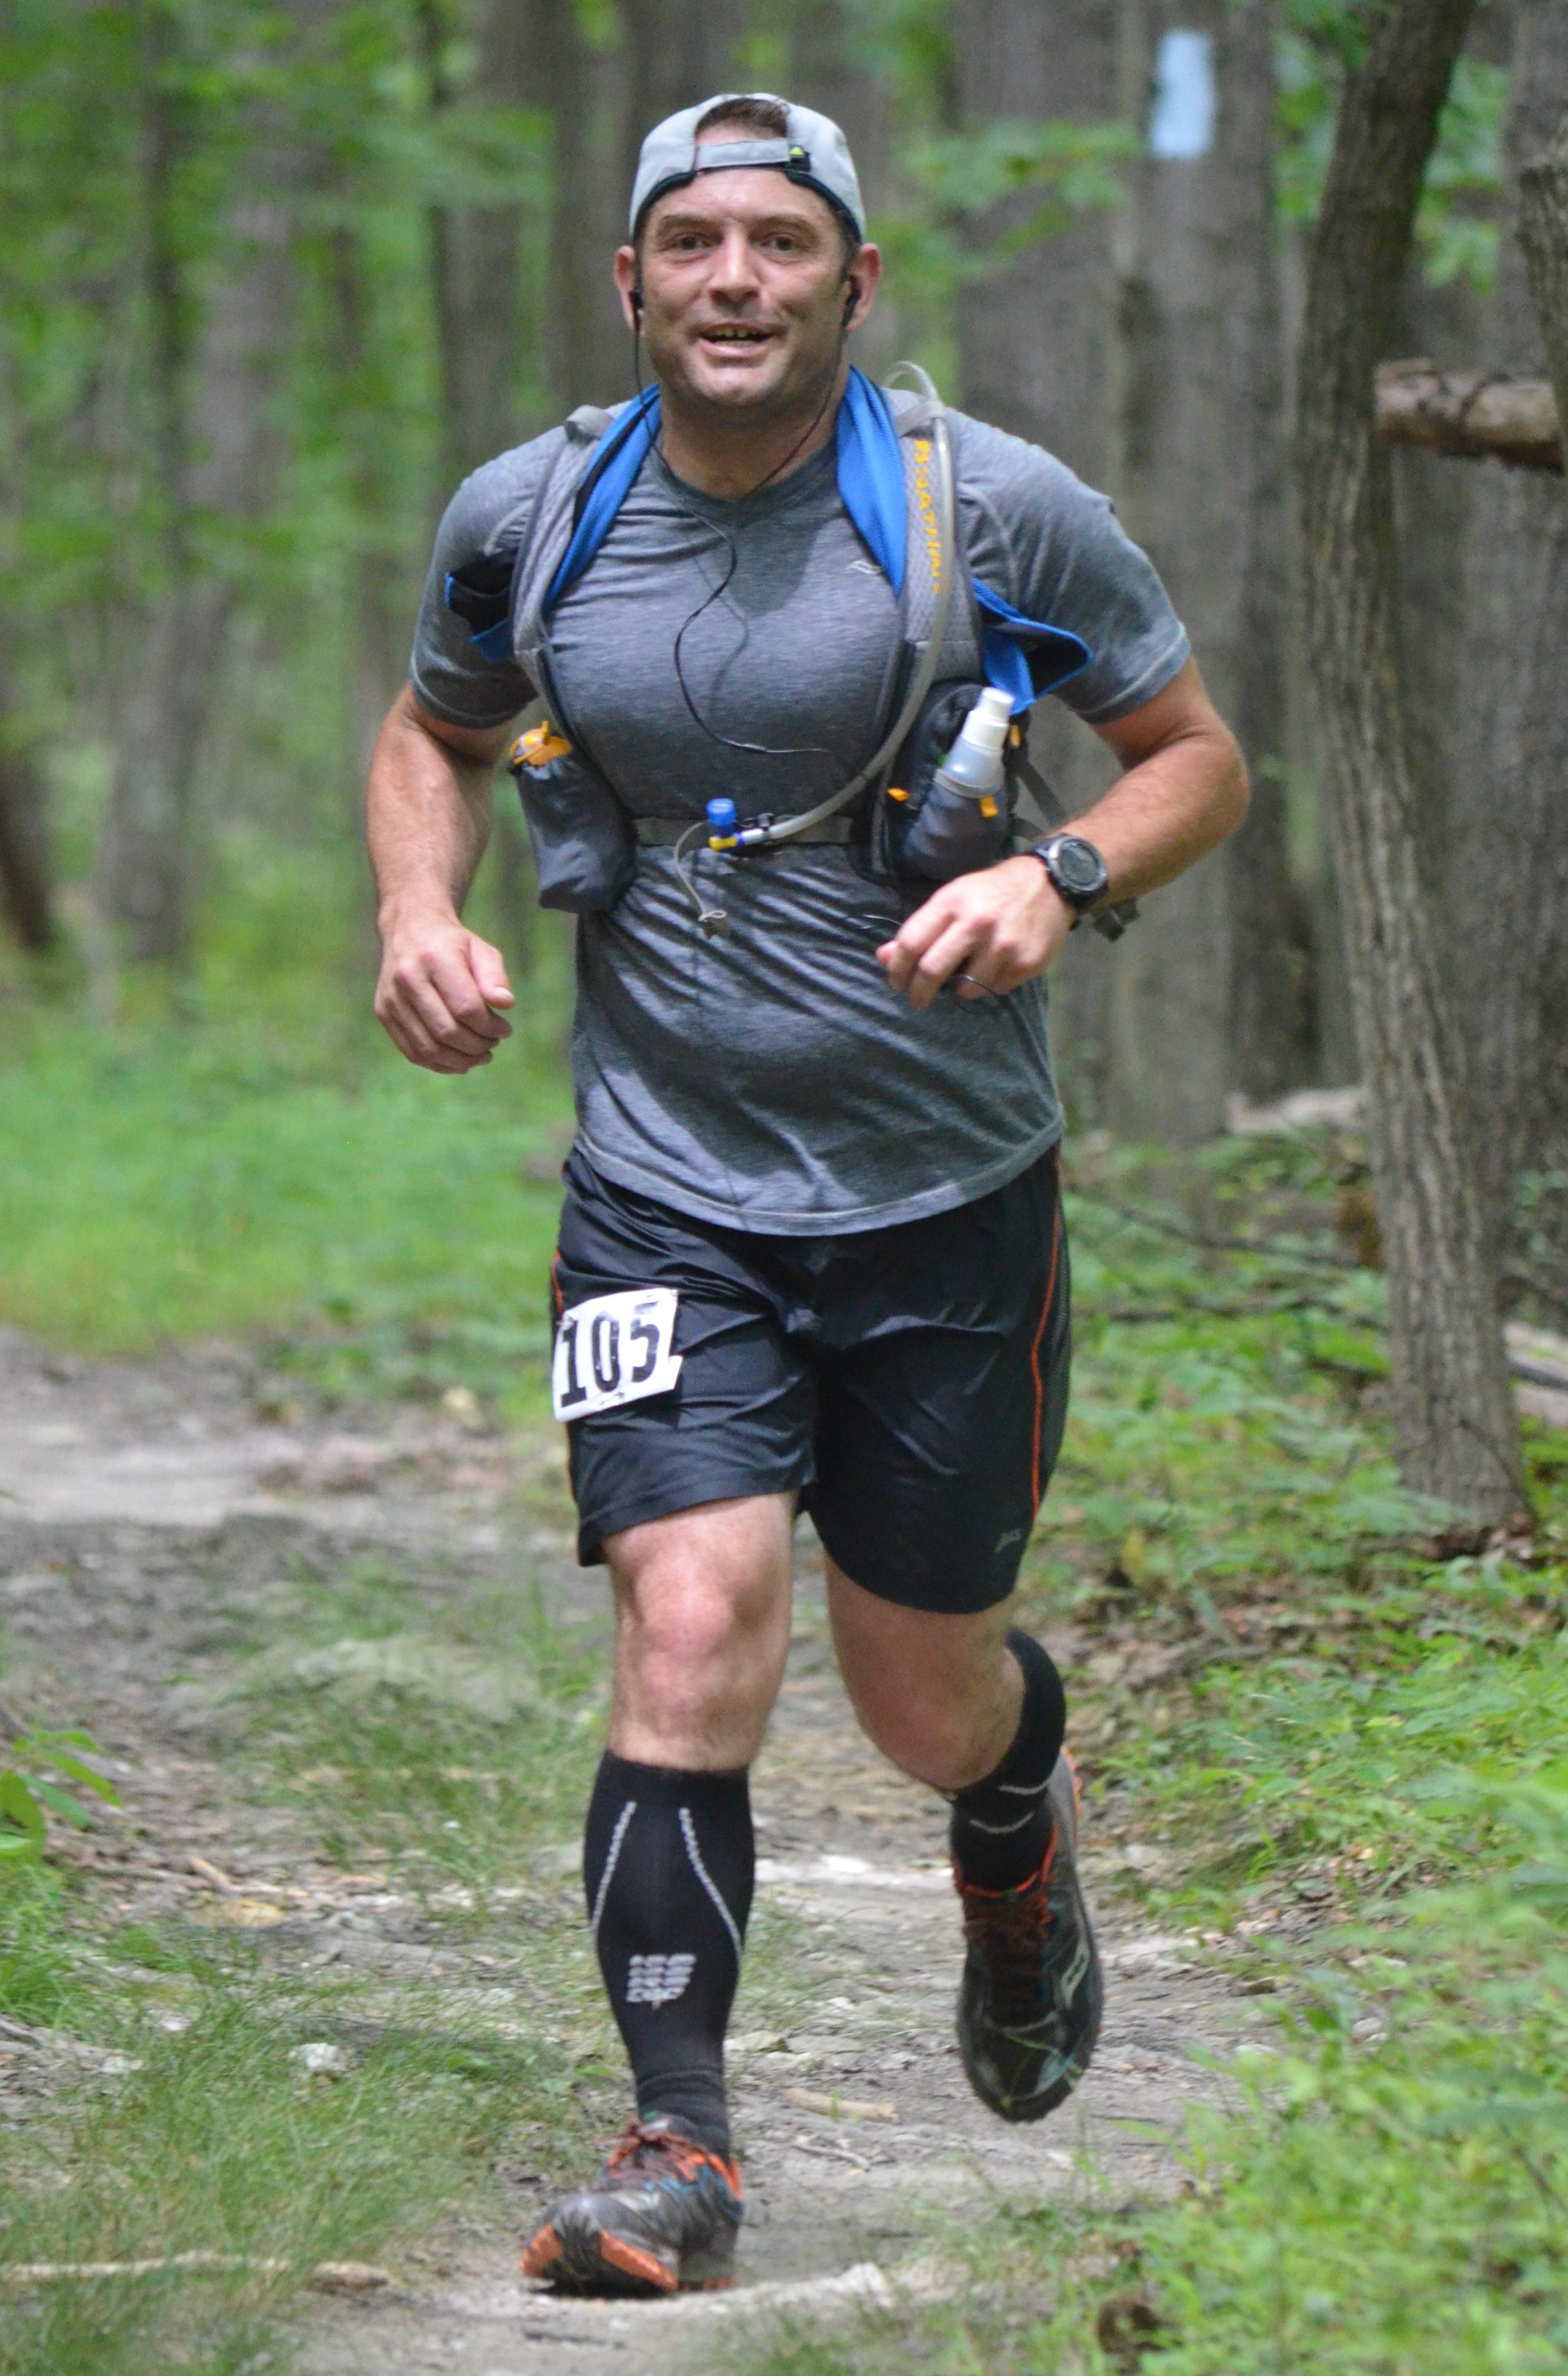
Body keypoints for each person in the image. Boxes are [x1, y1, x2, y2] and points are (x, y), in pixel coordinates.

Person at [367, 92, 1247, 2297]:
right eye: (693, 243)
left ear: (854, 282)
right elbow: (433, 732)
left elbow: (1195, 760)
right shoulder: (532, 514)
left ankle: (1013, 1823)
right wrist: (413, 910)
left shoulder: (994, 509)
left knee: (920, 1695)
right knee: (688, 1627)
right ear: (629, 281)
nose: (734, 280)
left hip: (946, 1193)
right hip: (661, 1193)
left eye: (780, 243)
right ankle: (677, 2144)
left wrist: (1060, 877)